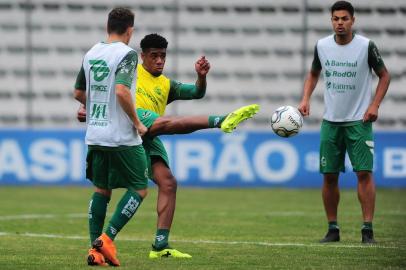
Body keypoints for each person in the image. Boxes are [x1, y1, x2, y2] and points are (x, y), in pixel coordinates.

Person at [77, 33, 259, 258]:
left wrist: (201, 77)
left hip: (148, 137)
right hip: (133, 126)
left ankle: (160, 245)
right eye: (154, 56)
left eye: (163, 56)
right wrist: (90, 108)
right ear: (143, 56)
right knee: (167, 124)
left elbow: (196, 92)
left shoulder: (165, 84)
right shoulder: (130, 71)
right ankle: (221, 120)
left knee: (168, 183)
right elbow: (107, 90)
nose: (160, 61)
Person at [298, 1, 390, 244]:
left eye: (344, 18)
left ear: (353, 21)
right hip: (331, 122)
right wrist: (305, 98)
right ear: (331, 21)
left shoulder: (366, 46)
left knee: (364, 173)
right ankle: (333, 229)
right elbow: (313, 73)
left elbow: (384, 75)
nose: (340, 23)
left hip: (359, 121)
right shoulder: (322, 46)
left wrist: (374, 105)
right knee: (329, 176)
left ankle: (367, 230)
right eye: (336, 19)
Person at [73, 7, 149, 266]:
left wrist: (91, 107)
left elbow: (78, 92)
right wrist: (137, 123)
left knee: (101, 190)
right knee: (139, 188)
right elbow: (121, 91)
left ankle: (94, 250)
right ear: (130, 30)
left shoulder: (91, 53)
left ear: (108, 27)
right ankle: (107, 238)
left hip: (95, 134)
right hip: (121, 137)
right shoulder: (127, 54)